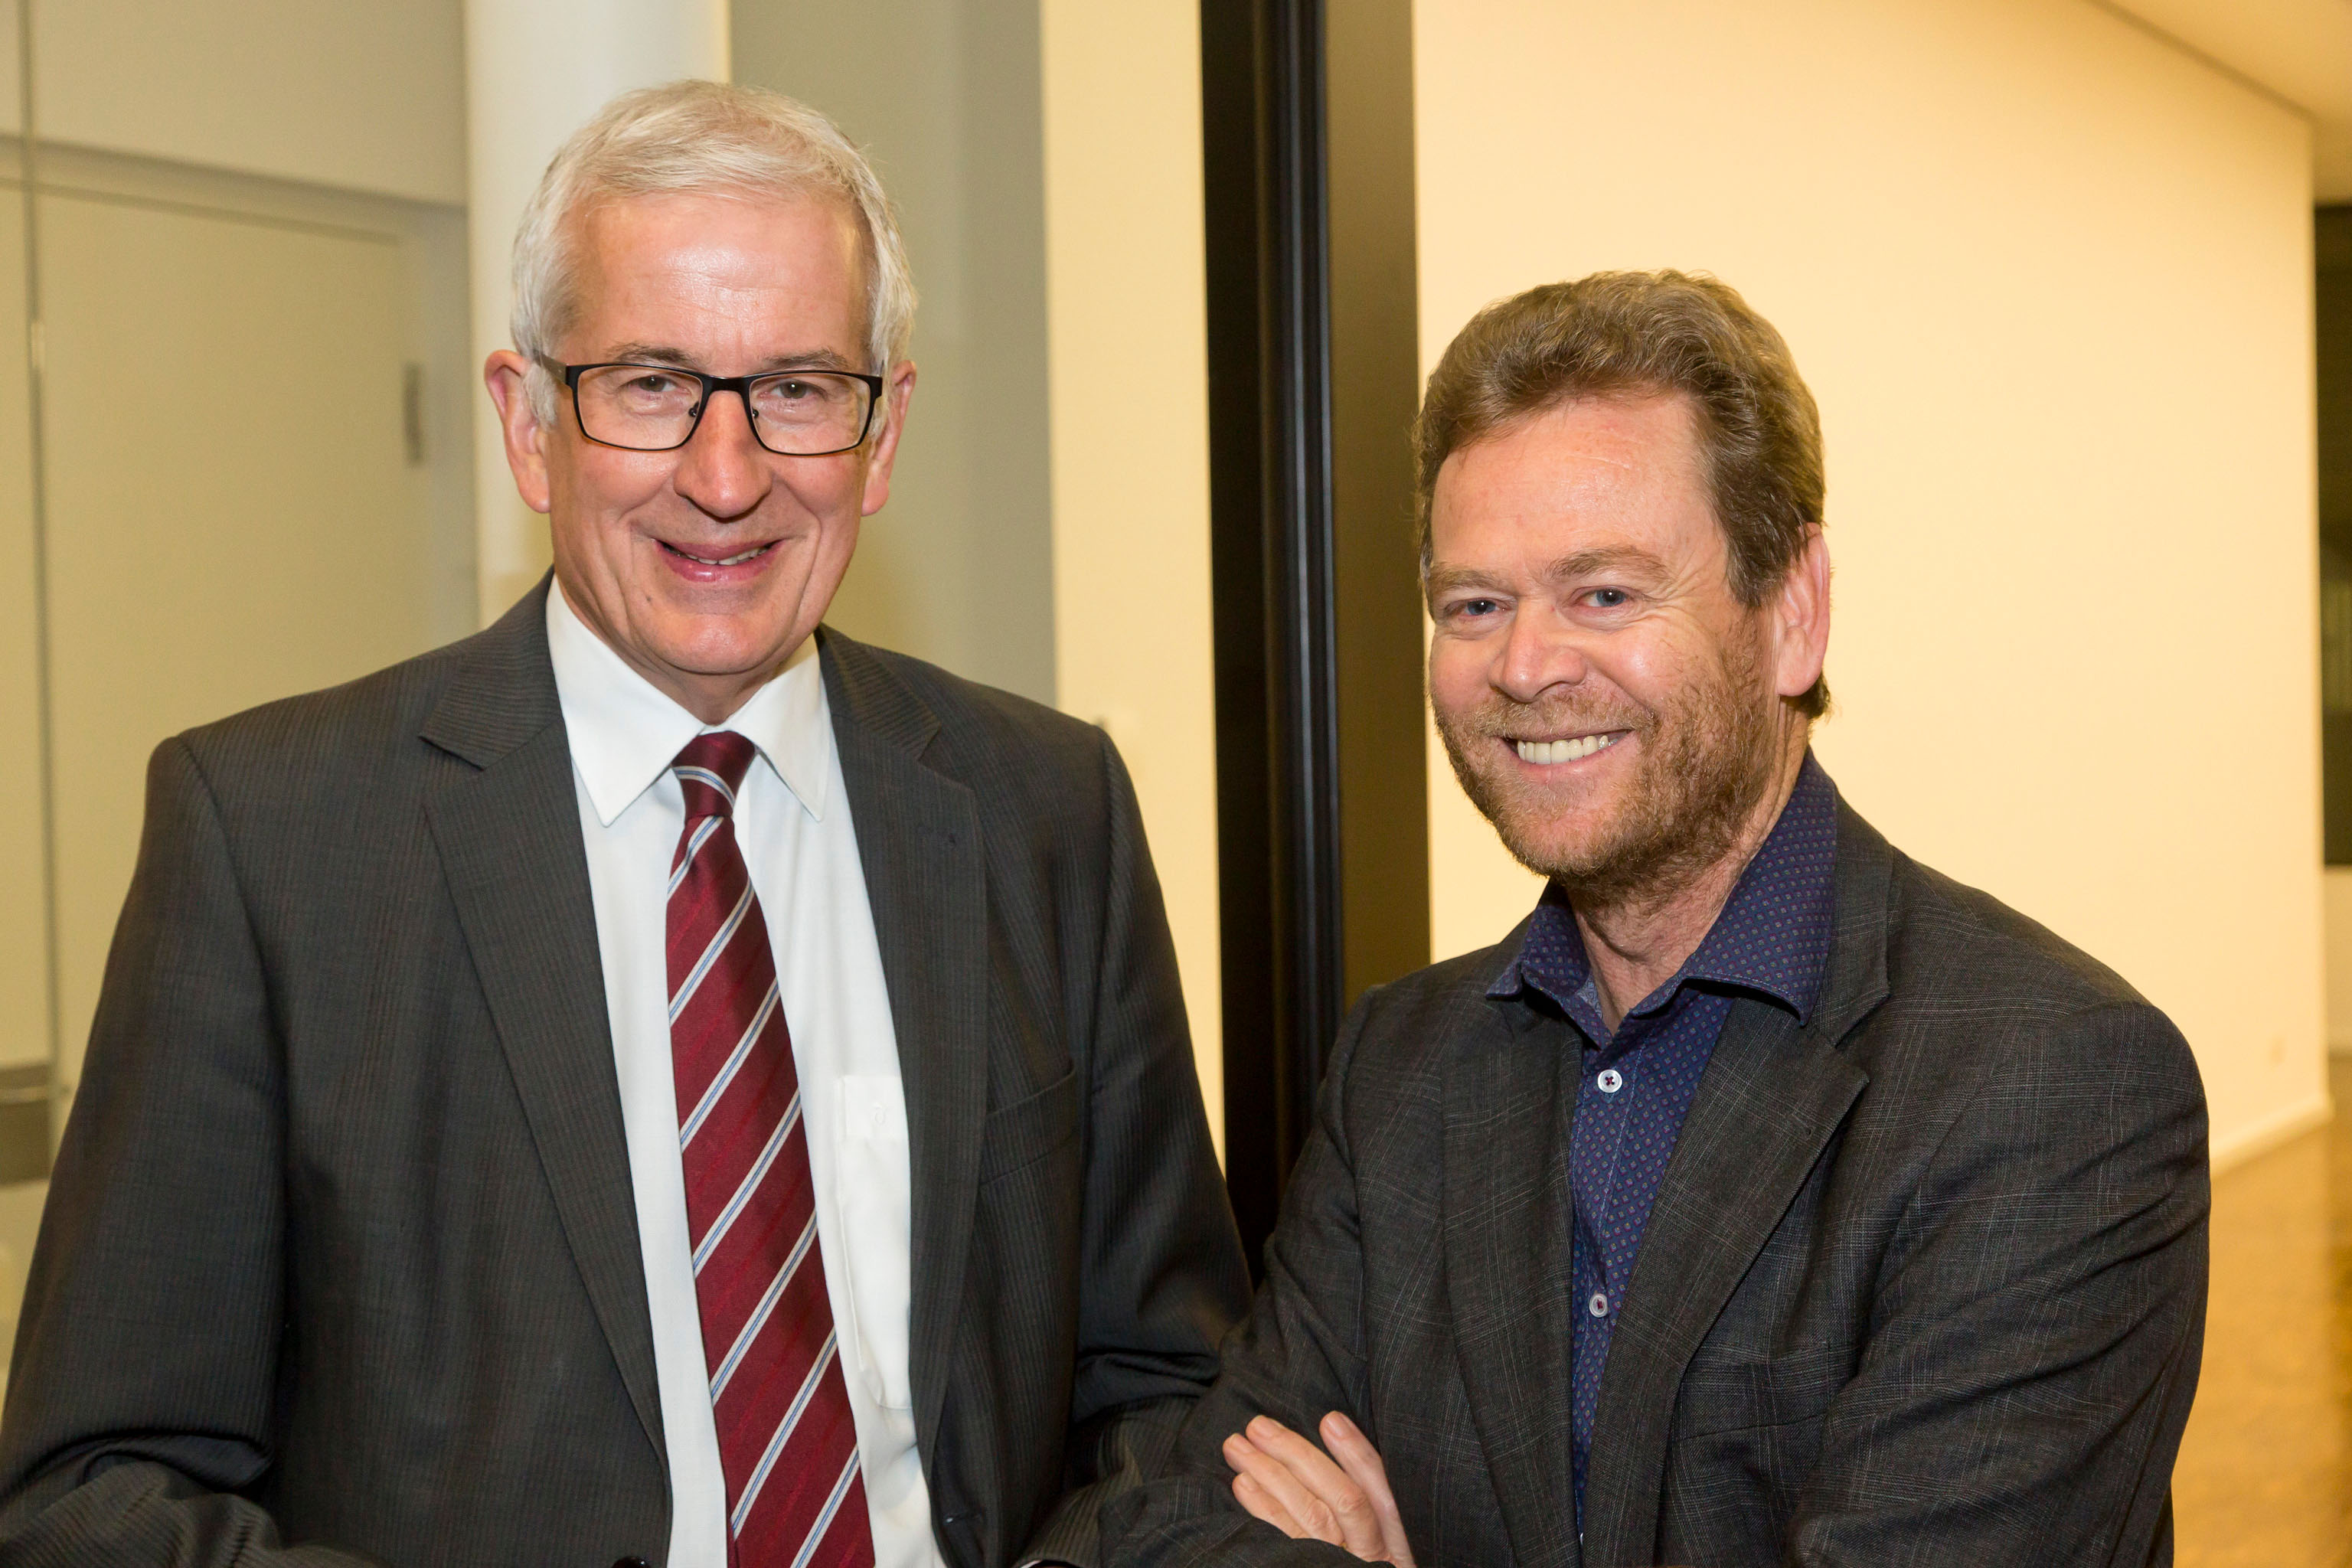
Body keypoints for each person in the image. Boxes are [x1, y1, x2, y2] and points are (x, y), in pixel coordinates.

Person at [0, 81, 1247, 1568]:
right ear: (527, 422)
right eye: (650, 384)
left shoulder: (1048, 809)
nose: (727, 479)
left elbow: (1168, 1386)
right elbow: (95, 1495)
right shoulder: (270, 839)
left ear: (883, 434)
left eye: (797, 389)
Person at [1109, 271, 2207, 1568]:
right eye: (1474, 605)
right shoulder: (1402, 1066)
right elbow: (1183, 1521)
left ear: (1793, 613)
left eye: (1606, 594)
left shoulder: (2053, 1086)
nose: (1526, 666)